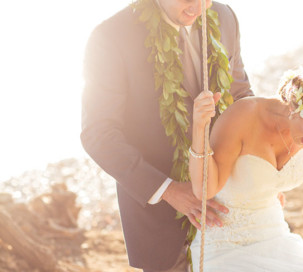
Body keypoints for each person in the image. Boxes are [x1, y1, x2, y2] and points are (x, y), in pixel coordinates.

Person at [80, 0, 254, 270]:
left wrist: (259, 170)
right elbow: (98, 134)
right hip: (160, 222)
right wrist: (169, 190)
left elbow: (242, 97)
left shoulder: (224, 16)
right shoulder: (110, 37)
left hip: (226, 206)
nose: (198, 9)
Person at [188, 62, 303, 271]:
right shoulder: (245, 115)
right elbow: (205, 189)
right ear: (298, 108)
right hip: (224, 246)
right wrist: (199, 128)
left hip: (275, 236)